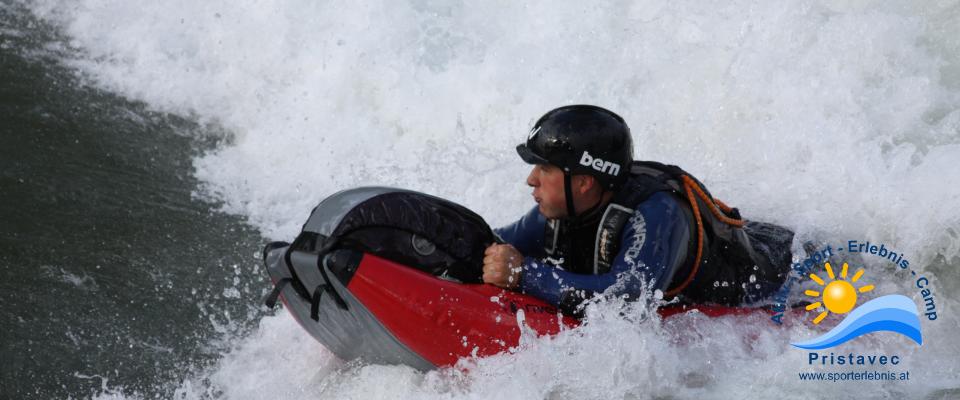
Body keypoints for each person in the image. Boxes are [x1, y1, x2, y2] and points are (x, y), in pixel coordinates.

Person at [482, 105, 794, 316]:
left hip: (784, 272)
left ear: (584, 182)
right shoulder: (559, 210)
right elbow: (490, 244)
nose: (531, 179)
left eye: (545, 168)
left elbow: (629, 299)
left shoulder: (658, 215)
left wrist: (525, 274)